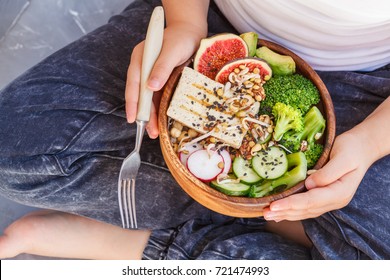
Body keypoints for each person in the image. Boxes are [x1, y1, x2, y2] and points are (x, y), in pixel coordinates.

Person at [0, 0, 389, 260]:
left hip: (368, 90)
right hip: (211, 22)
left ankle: (146, 245)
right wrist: (185, 20)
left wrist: (370, 142)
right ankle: (274, 220)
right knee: (13, 152)